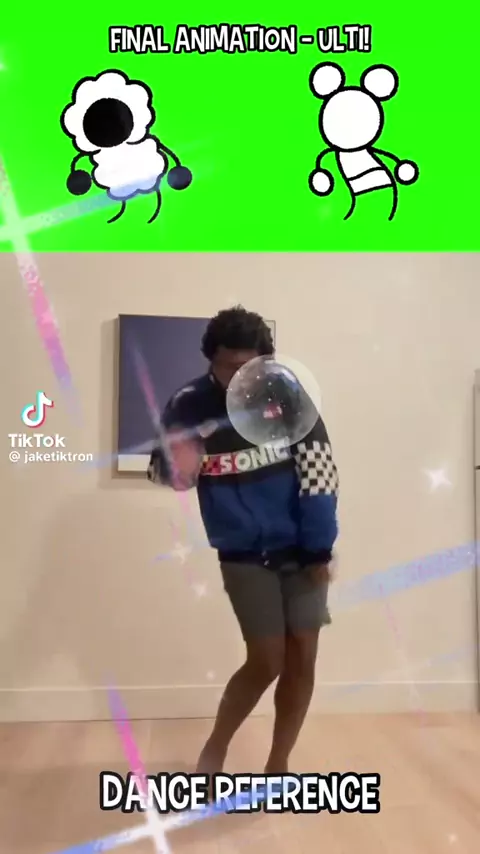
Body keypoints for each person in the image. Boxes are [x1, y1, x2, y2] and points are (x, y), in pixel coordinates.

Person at [148, 306, 339, 775]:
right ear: (211, 360)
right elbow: (165, 473)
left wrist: (319, 547)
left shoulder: (288, 397)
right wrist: (177, 463)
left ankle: (278, 764)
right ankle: (215, 749)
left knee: (303, 659)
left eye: (248, 366)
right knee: (267, 660)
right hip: (242, 554)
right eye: (228, 365)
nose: (238, 376)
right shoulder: (188, 403)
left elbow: (320, 472)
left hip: (304, 551)